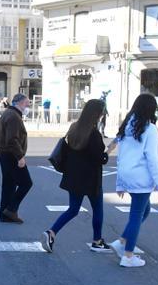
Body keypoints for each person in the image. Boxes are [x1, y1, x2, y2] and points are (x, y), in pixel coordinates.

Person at [40, 99, 113, 254]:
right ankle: (97, 241)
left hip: (73, 177)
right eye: (101, 113)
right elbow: (100, 158)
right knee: (97, 208)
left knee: (73, 209)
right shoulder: (94, 134)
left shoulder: (74, 128)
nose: (102, 116)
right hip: (91, 179)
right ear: (97, 114)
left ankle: (51, 232)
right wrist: (109, 151)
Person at [110, 93, 158, 268]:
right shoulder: (149, 130)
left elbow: (121, 155)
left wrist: (120, 183)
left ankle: (121, 242)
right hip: (141, 176)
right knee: (137, 214)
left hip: (127, 174)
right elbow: (153, 159)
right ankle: (128, 255)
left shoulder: (128, 126)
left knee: (144, 210)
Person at [0, 93, 32, 223]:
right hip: (11, 155)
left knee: (9, 185)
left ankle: (4, 215)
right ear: (20, 103)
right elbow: (12, 139)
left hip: (5, 154)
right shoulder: (13, 117)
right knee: (26, 183)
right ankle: (11, 210)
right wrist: (20, 157)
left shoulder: (8, 114)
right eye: (27, 103)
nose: (28, 106)